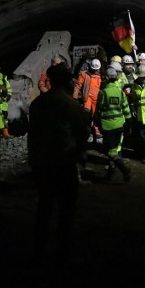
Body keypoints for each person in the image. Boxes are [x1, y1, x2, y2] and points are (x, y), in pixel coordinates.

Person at [28, 63, 89, 267]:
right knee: (66, 211)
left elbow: (33, 135)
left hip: (43, 163)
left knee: (44, 207)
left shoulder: (38, 104)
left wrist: (33, 160)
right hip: (64, 164)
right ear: (65, 81)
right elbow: (82, 134)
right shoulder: (70, 106)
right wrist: (81, 155)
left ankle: (38, 252)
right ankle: (62, 254)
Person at [95, 67, 132, 182]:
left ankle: (124, 170)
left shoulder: (103, 92)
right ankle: (110, 175)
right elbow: (126, 109)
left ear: (106, 78)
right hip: (119, 125)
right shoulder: (120, 92)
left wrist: (96, 121)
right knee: (114, 150)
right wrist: (128, 123)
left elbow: (98, 109)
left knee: (110, 152)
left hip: (108, 126)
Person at [72, 58, 103, 141]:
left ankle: (97, 132)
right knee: (87, 115)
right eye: (94, 69)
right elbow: (78, 85)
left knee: (96, 116)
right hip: (87, 98)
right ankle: (88, 132)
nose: (96, 71)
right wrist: (75, 98)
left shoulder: (102, 76)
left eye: (97, 69)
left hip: (97, 100)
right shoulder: (85, 74)